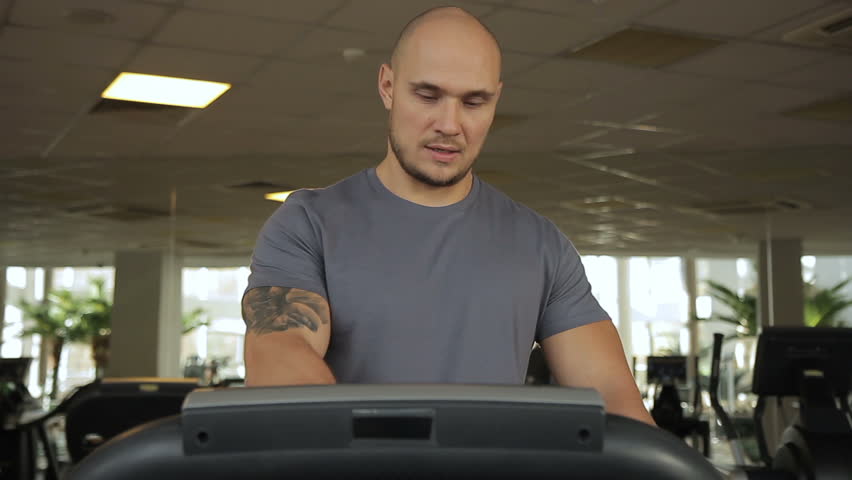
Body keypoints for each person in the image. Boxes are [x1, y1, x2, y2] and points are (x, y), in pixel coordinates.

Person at [241, 6, 654, 426]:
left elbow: (614, 397)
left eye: (474, 102)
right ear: (387, 86)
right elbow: (281, 357)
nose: (450, 124)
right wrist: (390, 452)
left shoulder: (541, 245)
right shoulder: (307, 224)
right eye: (427, 95)